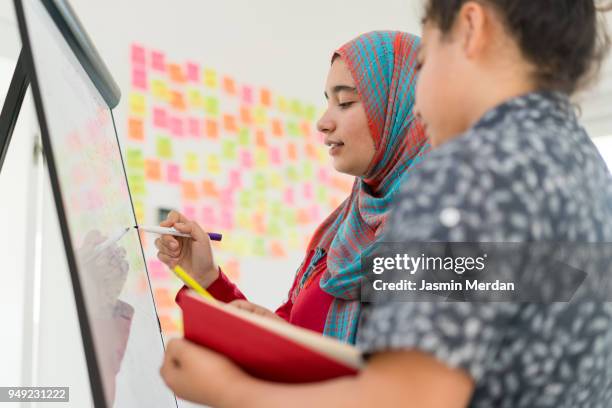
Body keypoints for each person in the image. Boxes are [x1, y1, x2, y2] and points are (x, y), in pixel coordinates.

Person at [159, 1, 612, 407]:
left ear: (471, 27)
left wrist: (227, 392)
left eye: (427, 58)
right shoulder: (582, 167)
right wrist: (215, 287)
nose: (417, 103)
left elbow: (409, 397)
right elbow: (518, 302)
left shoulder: (467, 175)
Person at [156, 30, 427, 343]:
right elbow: (286, 345)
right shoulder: (342, 231)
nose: (323, 122)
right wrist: (205, 278)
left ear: (404, 110)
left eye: (345, 102)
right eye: (328, 102)